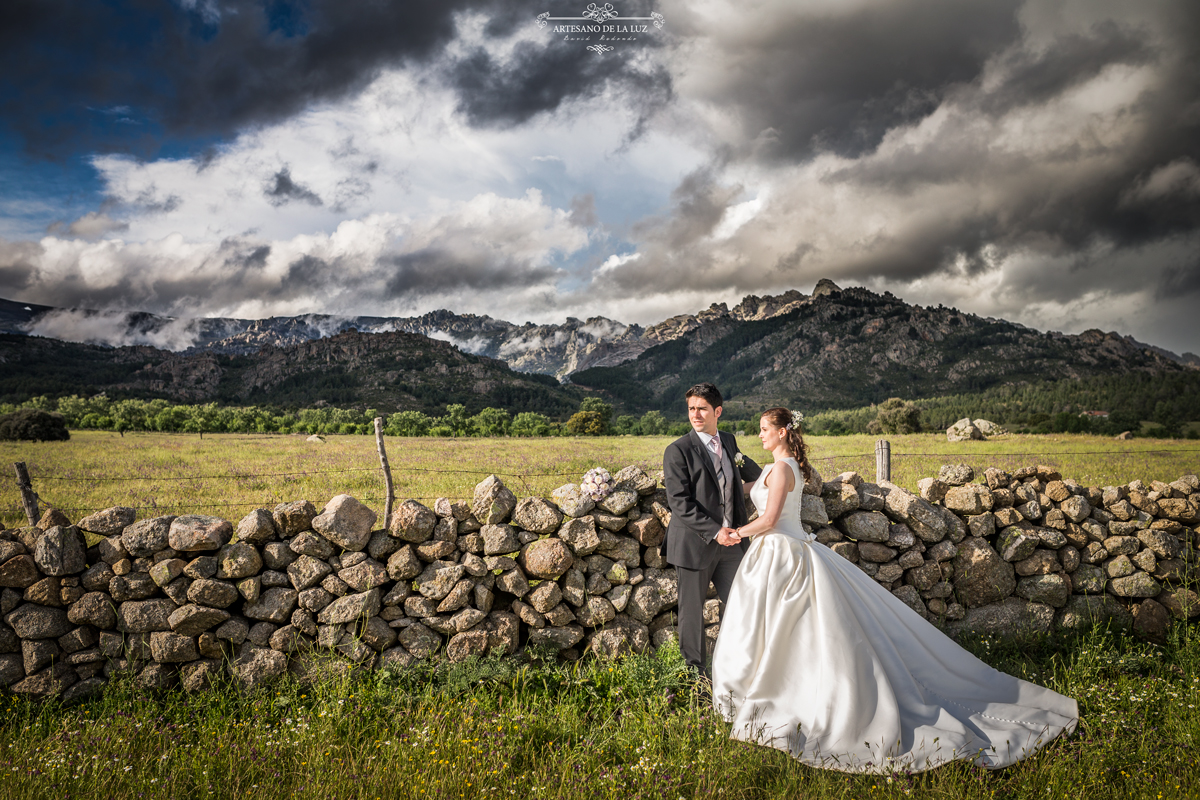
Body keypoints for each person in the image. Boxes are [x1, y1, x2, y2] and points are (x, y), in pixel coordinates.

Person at [711, 408, 1079, 773]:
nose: (759, 434)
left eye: (764, 429)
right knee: (779, 629)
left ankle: (785, 697)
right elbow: (748, 489)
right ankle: (769, 691)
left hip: (781, 554)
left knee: (791, 630)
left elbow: (771, 519)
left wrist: (735, 534)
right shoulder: (779, 469)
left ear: (781, 433)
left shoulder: (782, 470)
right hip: (775, 554)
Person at [662, 383, 762, 680]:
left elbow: (757, 476)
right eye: (691, 408)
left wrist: (788, 467)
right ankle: (696, 681)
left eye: (702, 408)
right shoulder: (677, 450)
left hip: (732, 546)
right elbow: (679, 503)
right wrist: (717, 530)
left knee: (741, 607)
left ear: (717, 411)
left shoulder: (730, 442)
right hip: (694, 544)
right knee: (692, 616)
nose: (695, 414)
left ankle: (736, 672)